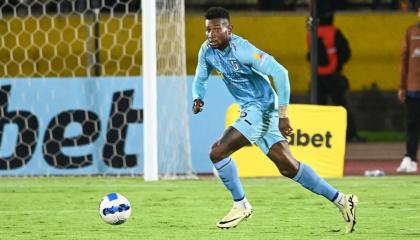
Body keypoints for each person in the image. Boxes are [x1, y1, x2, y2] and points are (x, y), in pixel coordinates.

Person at [192, 6, 358, 233]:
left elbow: (280, 73)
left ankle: (241, 204)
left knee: (217, 151)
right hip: (251, 109)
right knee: (289, 168)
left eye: (217, 29)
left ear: (229, 29)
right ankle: (342, 200)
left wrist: (283, 115)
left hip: (260, 108)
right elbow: (200, 77)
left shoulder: (243, 50)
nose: (211, 34)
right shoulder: (207, 51)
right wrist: (197, 97)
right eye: (208, 30)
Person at [307, 12, 365, 142]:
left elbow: (309, 54)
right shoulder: (334, 32)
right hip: (332, 75)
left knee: (318, 109)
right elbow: (346, 52)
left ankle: (317, 136)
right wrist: (338, 65)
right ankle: (350, 135)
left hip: (317, 77)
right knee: (341, 107)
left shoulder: (311, 34)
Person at [396, 1, 420, 173]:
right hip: (413, 87)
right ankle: (410, 158)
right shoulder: (411, 32)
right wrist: (402, 86)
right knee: (412, 124)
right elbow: (404, 61)